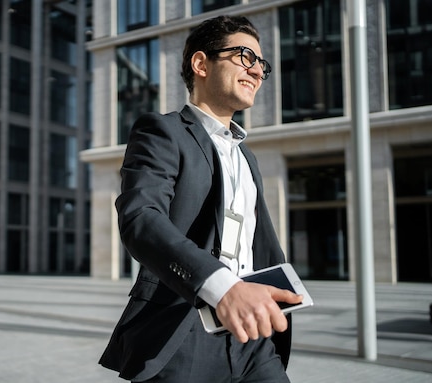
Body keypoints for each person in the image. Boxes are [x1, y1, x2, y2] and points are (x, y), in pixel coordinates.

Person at [99, 15, 303, 383]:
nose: (257, 72)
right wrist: (223, 287)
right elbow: (140, 217)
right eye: (245, 56)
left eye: (262, 64)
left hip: (254, 339)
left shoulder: (246, 155)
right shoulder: (162, 131)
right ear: (200, 63)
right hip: (184, 330)